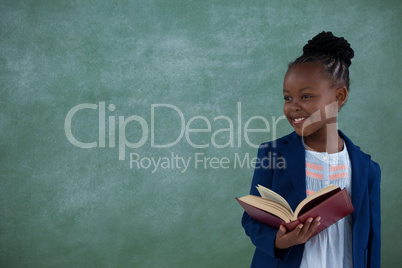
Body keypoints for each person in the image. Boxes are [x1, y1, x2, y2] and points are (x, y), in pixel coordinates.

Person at [241, 31, 381, 268]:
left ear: (339, 96)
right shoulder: (273, 154)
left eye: (305, 96)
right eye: (287, 98)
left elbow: (371, 238)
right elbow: (251, 218)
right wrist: (279, 240)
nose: (293, 107)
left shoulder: (367, 168)